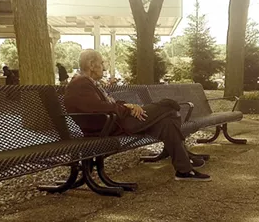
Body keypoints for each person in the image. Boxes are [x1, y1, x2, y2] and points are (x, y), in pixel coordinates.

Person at [64, 49, 211, 181]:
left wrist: (127, 106)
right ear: (91, 65)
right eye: (101, 63)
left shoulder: (87, 82)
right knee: (168, 107)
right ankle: (184, 156)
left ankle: (184, 170)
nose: (103, 66)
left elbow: (106, 104)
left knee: (167, 122)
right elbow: (97, 108)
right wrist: (127, 109)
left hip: (115, 123)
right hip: (109, 127)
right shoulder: (80, 83)